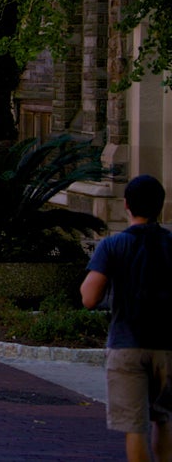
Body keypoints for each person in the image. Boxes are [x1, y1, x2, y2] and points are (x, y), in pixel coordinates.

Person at [81, 174, 172, 462]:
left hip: (126, 343)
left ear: (126, 205)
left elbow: (89, 297)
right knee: (165, 419)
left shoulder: (112, 245)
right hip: (168, 345)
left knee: (135, 427)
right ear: (161, 205)